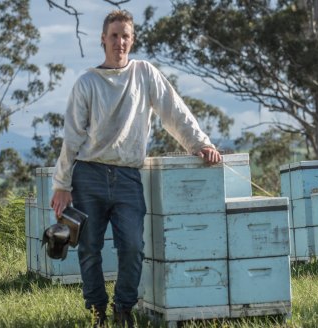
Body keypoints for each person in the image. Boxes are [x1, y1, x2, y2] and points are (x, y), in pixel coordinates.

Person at [50, 9, 222, 328]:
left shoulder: (144, 73)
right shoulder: (87, 82)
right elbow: (72, 138)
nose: (120, 41)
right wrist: (61, 184)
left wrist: (200, 144)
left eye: (125, 35)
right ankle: (97, 312)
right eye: (114, 35)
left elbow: (175, 111)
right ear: (103, 39)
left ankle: (124, 308)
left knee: (132, 246)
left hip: (129, 176)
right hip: (89, 175)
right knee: (89, 249)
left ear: (133, 39)